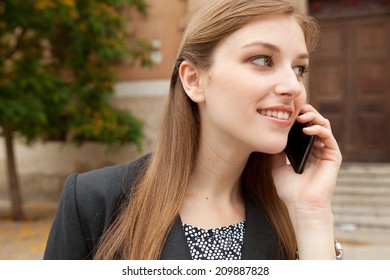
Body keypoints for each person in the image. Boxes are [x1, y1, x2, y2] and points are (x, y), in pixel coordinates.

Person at [44, 0, 343, 260]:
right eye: (263, 60)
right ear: (194, 80)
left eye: (299, 69)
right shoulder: (92, 201)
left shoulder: (291, 215)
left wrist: (312, 214)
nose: (293, 87)